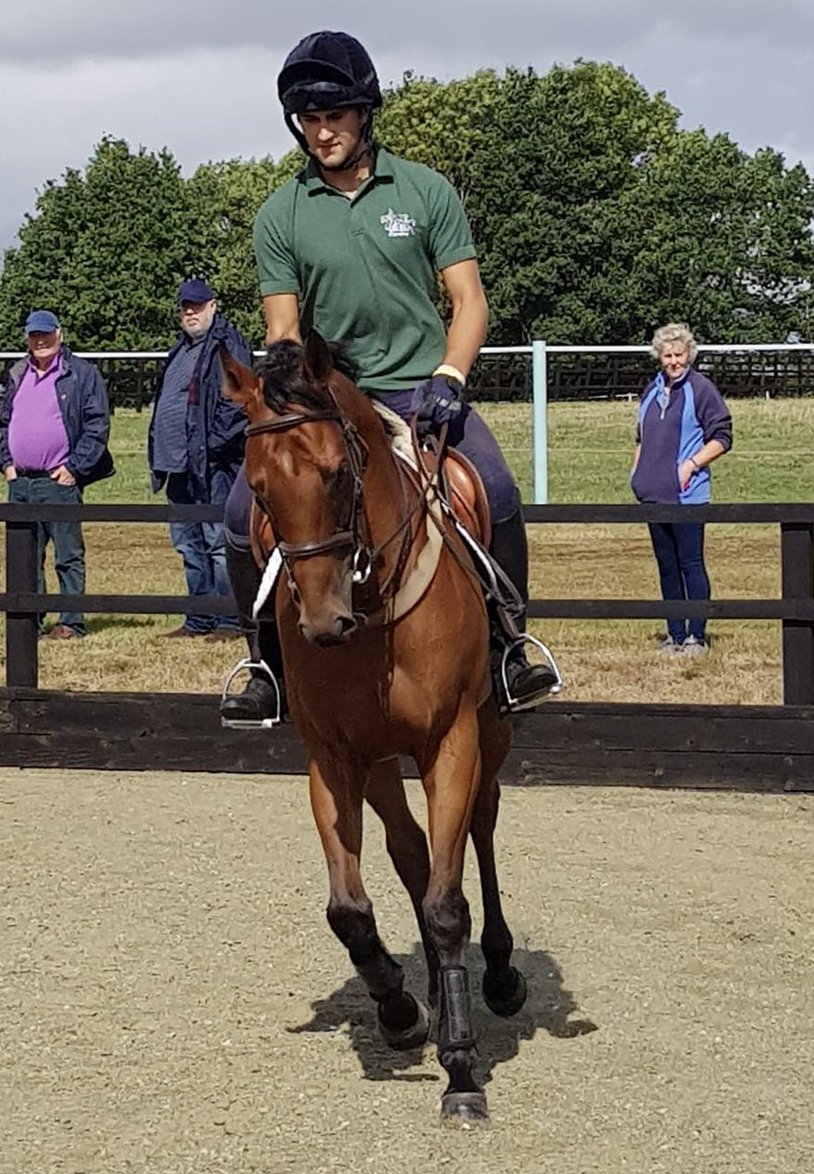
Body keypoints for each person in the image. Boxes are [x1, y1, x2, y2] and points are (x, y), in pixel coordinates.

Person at [220, 29, 560, 723]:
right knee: (237, 513)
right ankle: (267, 665)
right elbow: (284, 332)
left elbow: (469, 302)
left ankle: (510, 648)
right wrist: (281, 398)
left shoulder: (425, 190)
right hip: (330, 398)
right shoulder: (279, 214)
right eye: (310, 121)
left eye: (334, 117)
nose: (322, 132)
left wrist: (450, 376)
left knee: (495, 485)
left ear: (364, 114)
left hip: (419, 386)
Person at [0, 309, 114, 639]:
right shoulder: (17, 373)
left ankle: (70, 621)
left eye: (46, 334)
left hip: (58, 481)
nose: (40, 340)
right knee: (25, 557)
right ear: (27, 338)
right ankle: (29, 621)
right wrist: (7, 464)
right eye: (34, 335)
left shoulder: (81, 374)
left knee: (67, 554)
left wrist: (75, 468)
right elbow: (3, 422)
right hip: (20, 481)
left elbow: (97, 425)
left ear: (59, 334)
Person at [148, 279, 252, 641]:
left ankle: (228, 619)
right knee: (187, 542)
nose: (190, 312)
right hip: (177, 463)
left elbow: (237, 404)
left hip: (212, 464)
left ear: (213, 305)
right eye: (185, 306)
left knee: (217, 541)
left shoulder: (228, 345)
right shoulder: (181, 349)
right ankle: (199, 617)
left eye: (197, 305)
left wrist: (214, 446)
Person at [630, 321, 733, 654]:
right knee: (667, 566)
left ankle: (697, 635)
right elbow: (641, 438)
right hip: (653, 495)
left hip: (688, 496)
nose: (673, 361)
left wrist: (690, 466)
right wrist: (636, 473)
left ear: (689, 354)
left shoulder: (701, 389)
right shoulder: (652, 389)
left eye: (679, 354)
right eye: (667, 355)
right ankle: (674, 634)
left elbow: (722, 437)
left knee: (690, 563)